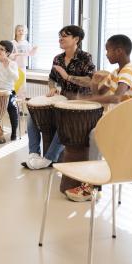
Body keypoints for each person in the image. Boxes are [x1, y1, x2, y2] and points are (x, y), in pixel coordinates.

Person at [54, 34, 132, 202]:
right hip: (119, 119)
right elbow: (99, 94)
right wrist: (94, 83)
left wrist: (84, 99)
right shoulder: (116, 72)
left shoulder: (128, 71)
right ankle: (89, 176)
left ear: (119, 51)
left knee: (96, 134)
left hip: (129, 122)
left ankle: (93, 185)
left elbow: (116, 97)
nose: (107, 54)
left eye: (108, 50)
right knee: (92, 132)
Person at [23, 25, 96, 170]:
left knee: (64, 120)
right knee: (32, 114)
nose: (60, 39)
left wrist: (67, 76)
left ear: (76, 39)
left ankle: (49, 158)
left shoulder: (85, 57)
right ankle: (33, 154)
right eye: (60, 36)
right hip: (63, 99)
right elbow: (51, 78)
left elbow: (90, 80)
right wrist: (52, 87)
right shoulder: (58, 59)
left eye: (65, 36)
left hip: (81, 102)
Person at [10, 24, 37, 100]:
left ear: (25, 32)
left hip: (22, 67)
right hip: (14, 67)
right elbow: (9, 55)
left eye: (22, 30)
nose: (21, 32)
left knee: (22, 87)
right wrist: (16, 54)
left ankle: (21, 106)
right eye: (19, 30)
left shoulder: (26, 43)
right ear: (16, 32)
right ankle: (13, 104)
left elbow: (31, 54)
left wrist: (35, 49)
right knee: (14, 86)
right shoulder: (12, 43)